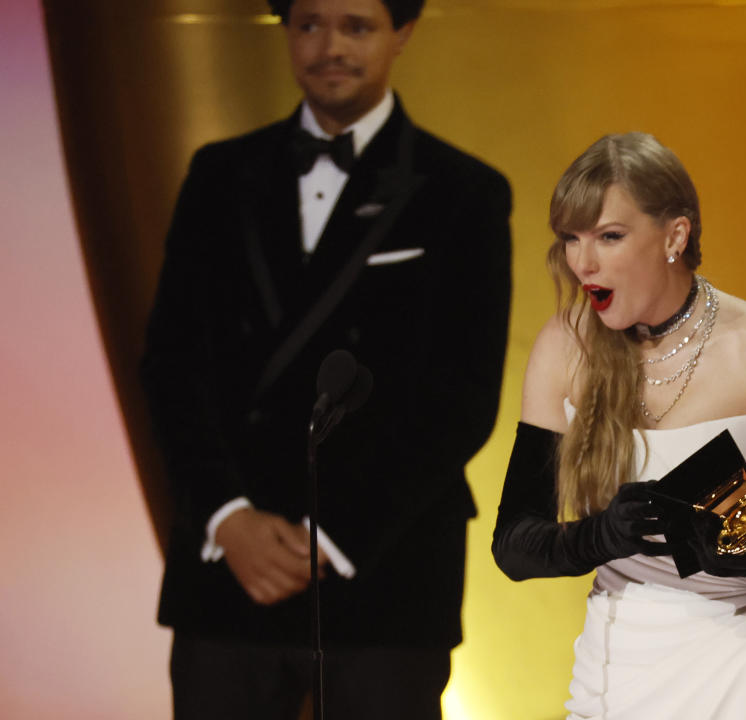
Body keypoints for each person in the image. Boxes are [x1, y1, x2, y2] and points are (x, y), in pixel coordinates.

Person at [140, 0, 511, 718]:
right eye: (308, 24)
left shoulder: (464, 191)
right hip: (229, 570)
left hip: (384, 569)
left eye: (357, 26)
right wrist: (226, 516)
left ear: (403, 32)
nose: (329, 46)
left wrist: (331, 535)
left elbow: (462, 398)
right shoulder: (218, 174)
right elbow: (170, 363)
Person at [492, 132, 746, 718]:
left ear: (675, 235)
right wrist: (600, 536)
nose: (583, 262)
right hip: (615, 672)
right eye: (571, 239)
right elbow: (514, 544)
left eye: (609, 236)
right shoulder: (564, 349)